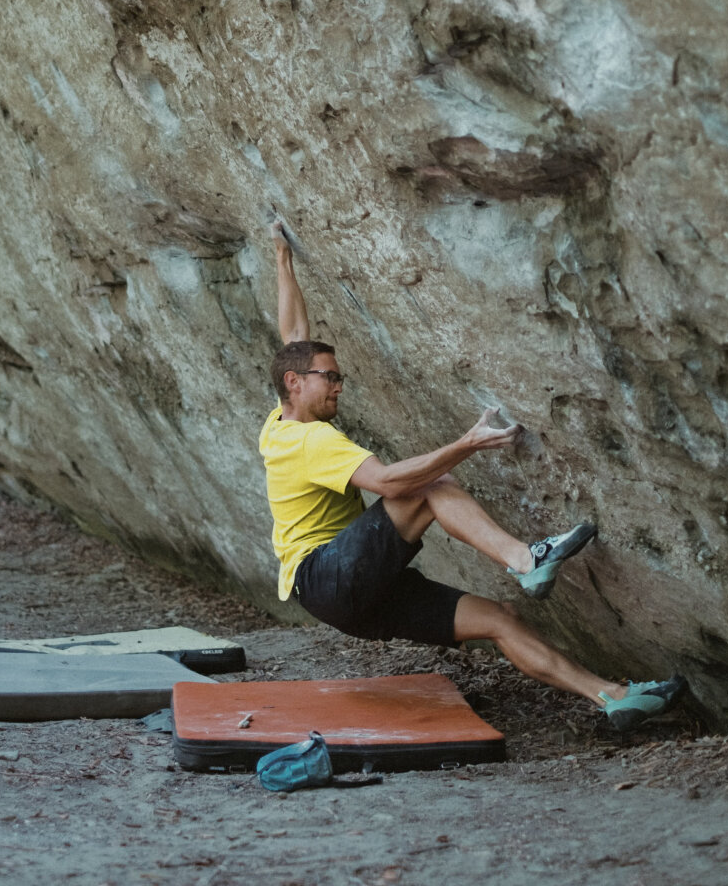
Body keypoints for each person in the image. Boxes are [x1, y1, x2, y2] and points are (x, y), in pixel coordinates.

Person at [259, 222, 685, 732]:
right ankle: (527, 559)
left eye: (338, 376)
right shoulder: (311, 441)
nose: (339, 386)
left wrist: (283, 257)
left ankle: (612, 697)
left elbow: (294, 337)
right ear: (295, 383)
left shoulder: (281, 419)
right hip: (326, 575)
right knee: (432, 488)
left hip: (352, 598)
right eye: (330, 377)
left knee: (498, 619)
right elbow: (391, 484)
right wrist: (467, 445)